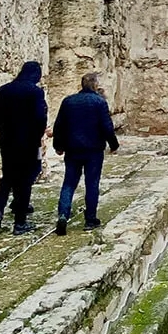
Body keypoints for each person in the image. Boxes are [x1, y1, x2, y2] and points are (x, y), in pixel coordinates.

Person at [52, 72, 119, 235]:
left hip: (72, 149)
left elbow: (59, 126)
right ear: (95, 85)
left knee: (69, 182)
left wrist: (58, 146)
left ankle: (63, 215)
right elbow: (107, 126)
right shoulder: (99, 102)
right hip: (93, 150)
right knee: (92, 183)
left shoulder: (68, 101)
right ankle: (90, 219)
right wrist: (113, 144)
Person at [0, 60, 48, 234]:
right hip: (29, 143)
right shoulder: (35, 92)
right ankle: (20, 222)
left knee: (8, 177)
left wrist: (5, 131)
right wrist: (36, 135)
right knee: (25, 180)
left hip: (7, 141)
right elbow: (40, 118)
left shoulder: (4, 90)